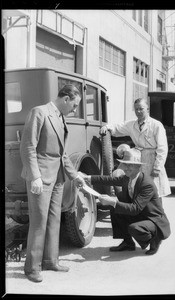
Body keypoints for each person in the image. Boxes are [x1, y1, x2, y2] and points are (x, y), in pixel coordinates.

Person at [20, 84, 86, 283]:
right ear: (66, 99)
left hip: (57, 178)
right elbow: (28, 146)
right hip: (41, 177)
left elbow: (62, 154)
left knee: (54, 220)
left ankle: (50, 260)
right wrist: (35, 176)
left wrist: (74, 176)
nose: (75, 110)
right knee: (39, 223)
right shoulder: (39, 112)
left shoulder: (60, 117)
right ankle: (32, 267)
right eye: (74, 105)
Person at [83, 148, 171, 254]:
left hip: (153, 220)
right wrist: (88, 177)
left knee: (134, 227)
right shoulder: (127, 178)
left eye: (130, 165)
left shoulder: (147, 184)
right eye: (125, 164)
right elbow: (109, 179)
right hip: (140, 214)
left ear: (138, 166)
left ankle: (155, 240)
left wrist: (112, 201)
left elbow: (135, 209)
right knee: (115, 208)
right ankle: (128, 243)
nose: (126, 168)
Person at [100, 98, 171, 199]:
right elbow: (117, 127)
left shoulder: (156, 125)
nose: (138, 112)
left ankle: (158, 213)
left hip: (152, 160)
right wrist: (106, 127)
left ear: (147, 109)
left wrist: (157, 167)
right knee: (137, 190)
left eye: (141, 109)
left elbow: (162, 148)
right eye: (136, 109)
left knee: (154, 191)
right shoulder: (131, 124)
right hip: (137, 159)